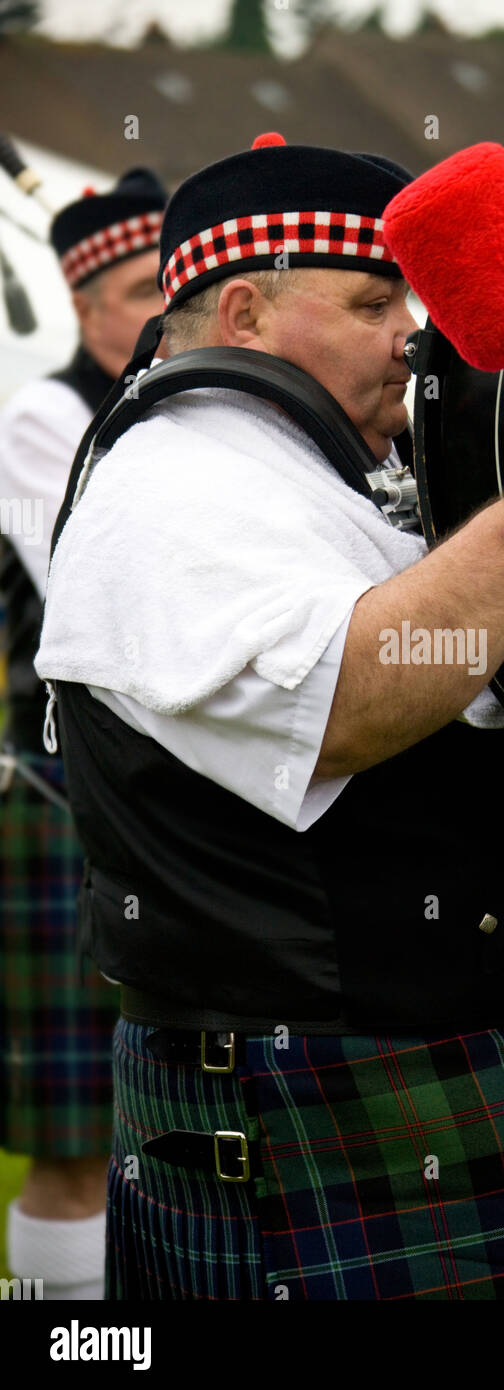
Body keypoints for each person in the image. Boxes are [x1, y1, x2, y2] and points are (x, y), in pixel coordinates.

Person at [35, 134, 504, 1300]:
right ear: (249, 313)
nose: (409, 332)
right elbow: (349, 702)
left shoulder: (309, 468)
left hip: (481, 1083)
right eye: (371, 301)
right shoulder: (171, 483)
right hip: (347, 1105)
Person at [0, 168, 166, 1299]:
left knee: (155, 1135)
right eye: (142, 291)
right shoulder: (40, 420)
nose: (161, 311)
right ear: (87, 303)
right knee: (74, 1138)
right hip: (63, 804)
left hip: (166, 814)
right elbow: (98, 598)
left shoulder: (187, 414)